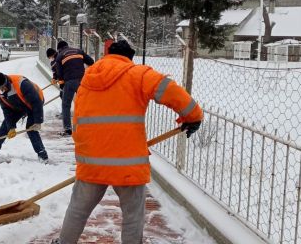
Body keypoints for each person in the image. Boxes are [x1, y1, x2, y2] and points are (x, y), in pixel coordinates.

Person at [53, 40, 203, 244]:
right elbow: (170, 90)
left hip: (91, 161)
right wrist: (193, 116)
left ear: (107, 54)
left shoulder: (88, 78)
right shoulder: (137, 74)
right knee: (132, 218)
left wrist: (85, 151)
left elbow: (78, 120)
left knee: (78, 210)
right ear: (129, 57)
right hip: (127, 163)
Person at [0, 72, 49, 163]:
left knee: (31, 129)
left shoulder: (22, 84)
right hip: (17, 105)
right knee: (5, 126)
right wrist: (11, 127)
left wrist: (38, 121)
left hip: (34, 103)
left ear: (3, 85)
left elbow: (36, 102)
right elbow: (6, 109)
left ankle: (43, 156)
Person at [55, 41, 95, 136]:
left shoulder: (60, 56)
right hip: (82, 81)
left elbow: (59, 74)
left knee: (66, 105)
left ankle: (68, 129)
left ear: (59, 48)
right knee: (84, 103)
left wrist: (61, 84)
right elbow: (91, 62)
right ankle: (89, 125)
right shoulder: (79, 51)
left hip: (69, 82)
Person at [46, 48, 64, 118]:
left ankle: (64, 113)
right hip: (62, 81)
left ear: (52, 55)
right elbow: (55, 71)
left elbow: (61, 70)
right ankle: (64, 112)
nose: (50, 59)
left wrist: (62, 79)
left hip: (66, 80)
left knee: (63, 96)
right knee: (62, 95)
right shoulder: (54, 61)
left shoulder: (58, 59)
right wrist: (54, 78)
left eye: (49, 57)